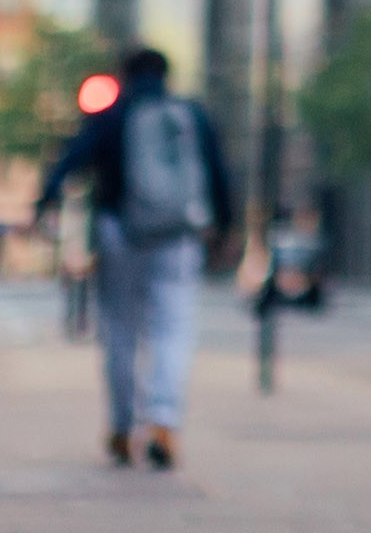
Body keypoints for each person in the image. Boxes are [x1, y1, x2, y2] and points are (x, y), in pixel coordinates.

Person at [34, 46, 235, 469]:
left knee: (120, 330)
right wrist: (227, 227)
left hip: (120, 232)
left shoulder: (114, 114)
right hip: (179, 236)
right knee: (173, 328)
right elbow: (219, 173)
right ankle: (163, 421)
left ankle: (123, 427)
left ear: (125, 75)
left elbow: (73, 157)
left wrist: (44, 202)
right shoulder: (191, 117)